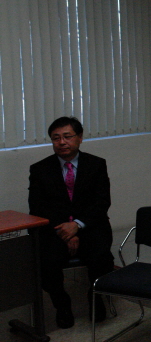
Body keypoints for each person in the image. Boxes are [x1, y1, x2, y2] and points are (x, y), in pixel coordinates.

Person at [28, 116, 114, 329]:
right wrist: (64, 231)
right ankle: (62, 304)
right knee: (44, 262)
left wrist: (77, 225)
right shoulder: (39, 169)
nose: (62, 142)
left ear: (80, 138)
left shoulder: (96, 164)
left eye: (67, 136)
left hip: (89, 226)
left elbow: (102, 202)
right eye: (56, 138)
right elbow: (37, 207)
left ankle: (95, 297)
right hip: (55, 229)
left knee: (102, 258)